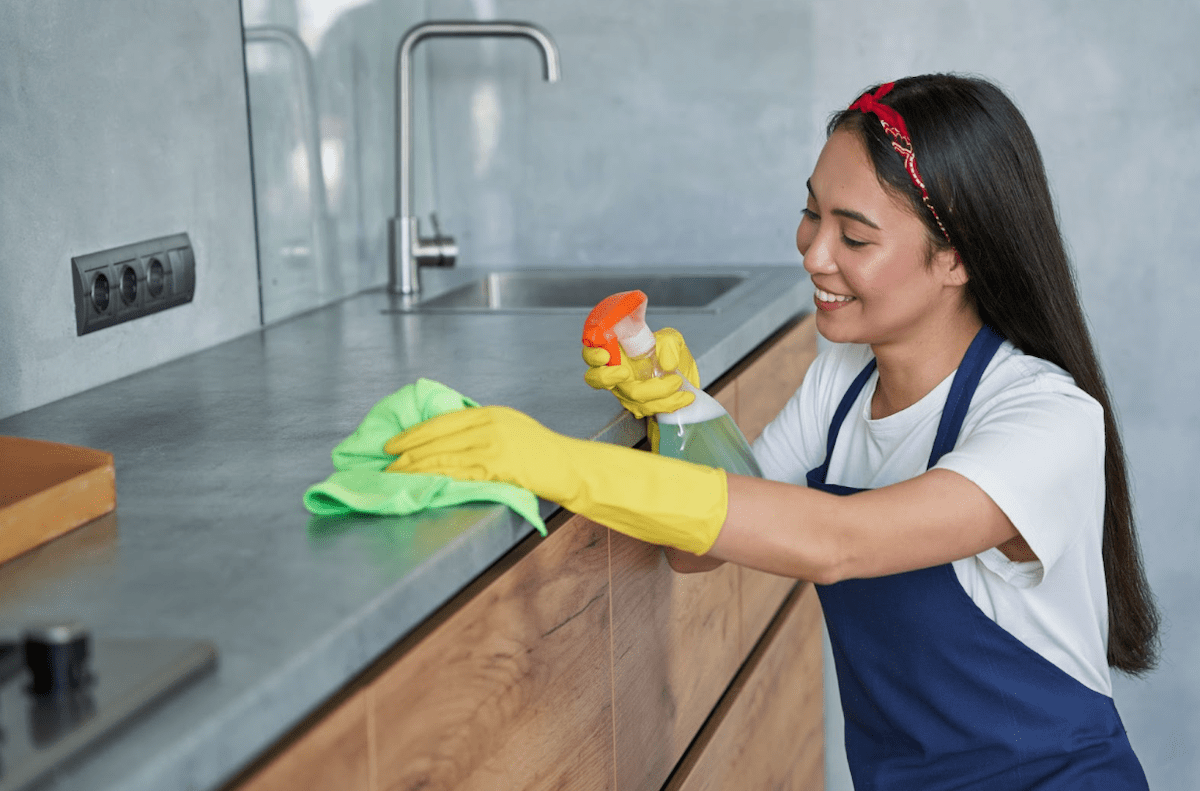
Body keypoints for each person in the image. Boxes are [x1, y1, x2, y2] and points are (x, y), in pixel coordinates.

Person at [384, 74, 1160, 788]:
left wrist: (558, 462)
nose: (814, 253)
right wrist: (677, 405)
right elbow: (703, 548)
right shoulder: (841, 384)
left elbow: (838, 541)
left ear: (956, 256)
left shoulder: (1046, 418)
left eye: (853, 236)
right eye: (811, 213)